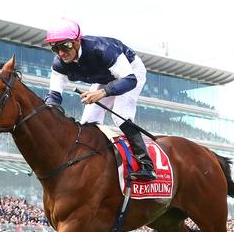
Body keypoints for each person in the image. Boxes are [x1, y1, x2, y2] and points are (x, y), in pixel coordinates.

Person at [43, 18, 156, 181]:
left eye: (65, 46)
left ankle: (147, 165)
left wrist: (103, 93)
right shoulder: (59, 64)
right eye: (55, 48)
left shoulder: (103, 49)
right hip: (105, 76)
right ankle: (95, 163)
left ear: (77, 42)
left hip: (131, 72)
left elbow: (130, 80)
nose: (61, 53)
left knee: (120, 115)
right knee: (88, 121)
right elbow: (53, 97)